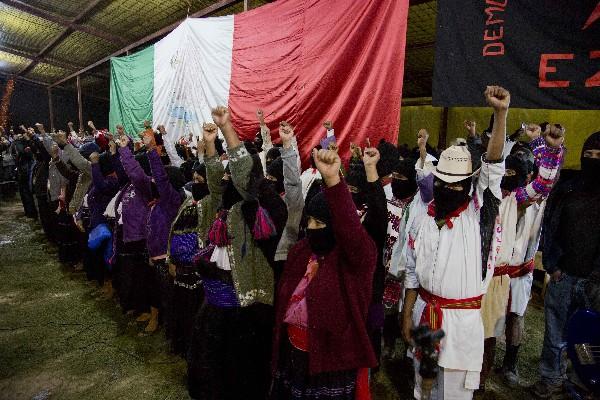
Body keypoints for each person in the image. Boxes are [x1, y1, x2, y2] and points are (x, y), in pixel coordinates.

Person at [402, 85, 510, 400]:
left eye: (456, 185)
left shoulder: (480, 213)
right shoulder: (423, 217)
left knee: (451, 395)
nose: (448, 189)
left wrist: (500, 114)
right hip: (424, 311)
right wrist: (407, 313)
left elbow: (492, 167)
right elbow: (411, 268)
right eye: (442, 183)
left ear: (468, 185)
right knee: (422, 389)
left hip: (460, 326)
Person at [187, 108, 287, 400]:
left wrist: (227, 128)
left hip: (247, 310)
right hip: (218, 301)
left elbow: (242, 176)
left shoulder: (263, 210)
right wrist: (209, 144)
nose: (230, 179)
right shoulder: (226, 207)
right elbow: (218, 183)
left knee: (241, 372)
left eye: (236, 173)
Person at [270, 147, 378, 399]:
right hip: (294, 356)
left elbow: (351, 231)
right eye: (309, 221)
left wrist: (332, 181)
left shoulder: (356, 259)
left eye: (319, 223)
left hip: (331, 364)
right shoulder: (302, 251)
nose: (310, 228)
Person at [478, 123, 565, 393]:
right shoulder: (485, 194)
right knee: (480, 333)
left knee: (503, 325)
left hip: (514, 275)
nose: (508, 176)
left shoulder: (518, 198)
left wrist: (549, 149)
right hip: (484, 277)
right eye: (506, 171)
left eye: (515, 172)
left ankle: (499, 370)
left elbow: (543, 184)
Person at [531, 129, 600, 398]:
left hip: (594, 282)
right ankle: (551, 380)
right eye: (589, 154)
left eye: (598, 155)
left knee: (587, 339)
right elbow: (551, 224)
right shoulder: (568, 187)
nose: (592, 160)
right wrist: (553, 264)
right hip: (563, 275)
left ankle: (582, 381)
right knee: (555, 334)